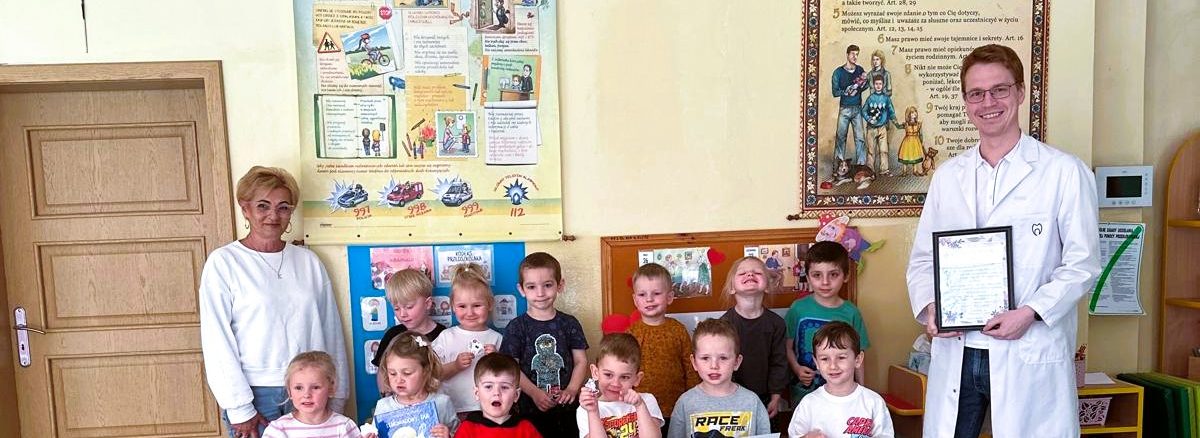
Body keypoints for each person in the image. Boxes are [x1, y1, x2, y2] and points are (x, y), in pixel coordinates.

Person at [905, 44, 1101, 438]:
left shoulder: (1063, 172)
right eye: (976, 93)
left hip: (1027, 347)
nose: (988, 102)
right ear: (965, 102)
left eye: (1000, 89)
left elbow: (1083, 264)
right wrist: (931, 309)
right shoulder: (948, 177)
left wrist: (1029, 312)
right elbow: (924, 259)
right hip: (960, 350)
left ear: (1020, 92)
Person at [200, 166, 349, 438]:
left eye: (283, 207)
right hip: (256, 394)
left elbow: (331, 329)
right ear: (245, 208)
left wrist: (337, 394)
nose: (273, 215)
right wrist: (239, 407)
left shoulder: (308, 261)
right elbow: (216, 338)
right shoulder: (224, 262)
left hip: (312, 389)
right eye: (263, 206)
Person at [500, 252, 590, 437]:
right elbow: (511, 368)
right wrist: (534, 393)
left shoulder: (569, 323)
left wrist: (572, 389)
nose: (540, 293)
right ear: (521, 289)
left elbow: (581, 361)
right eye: (531, 287)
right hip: (528, 410)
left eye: (547, 285)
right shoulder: (516, 327)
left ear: (560, 285)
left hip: (567, 410)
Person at [785, 241, 871, 403]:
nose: (825, 282)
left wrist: (861, 390)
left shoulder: (851, 312)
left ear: (846, 276)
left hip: (842, 394)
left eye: (833, 274)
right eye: (817, 275)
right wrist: (796, 368)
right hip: (804, 393)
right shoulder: (798, 308)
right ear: (808, 277)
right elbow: (786, 346)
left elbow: (859, 355)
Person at [626, 263, 699, 436]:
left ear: (670, 297)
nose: (649, 299)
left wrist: (693, 399)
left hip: (677, 408)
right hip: (641, 410)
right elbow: (624, 371)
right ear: (635, 300)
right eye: (642, 294)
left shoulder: (678, 330)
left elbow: (690, 368)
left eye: (656, 293)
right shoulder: (631, 334)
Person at [786, 322, 894, 438]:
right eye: (824, 359)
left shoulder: (874, 402)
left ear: (858, 359)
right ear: (816, 362)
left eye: (841, 357)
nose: (833, 366)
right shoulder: (808, 404)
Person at [668, 319, 771, 438]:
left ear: (737, 362)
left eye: (723, 358)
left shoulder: (752, 401)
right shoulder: (685, 402)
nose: (714, 366)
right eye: (705, 358)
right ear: (694, 362)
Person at [719, 256, 788, 419]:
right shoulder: (724, 325)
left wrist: (776, 396)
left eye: (757, 272)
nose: (750, 274)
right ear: (732, 288)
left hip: (765, 399)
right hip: (730, 397)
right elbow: (721, 364)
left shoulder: (777, 324)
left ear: (768, 286)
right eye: (742, 273)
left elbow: (779, 362)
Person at [432, 263, 504, 416]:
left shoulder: (497, 339)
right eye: (462, 306)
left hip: (487, 411)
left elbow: (508, 378)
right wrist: (455, 366)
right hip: (452, 410)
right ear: (452, 306)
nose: (470, 312)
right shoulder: (446, 337)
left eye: (477, 305)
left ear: (490, 304)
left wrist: (497, 360)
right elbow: (432, 374)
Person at [364, 332, 460, 438]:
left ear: (426, 370)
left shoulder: (442, 403)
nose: (398, 380)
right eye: (392, 373)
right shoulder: (383, 406)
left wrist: (448, 436)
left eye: (407, 373)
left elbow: (458, 433)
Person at [372, 269, 448, 396]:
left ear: (428, 303)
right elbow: (382, 372)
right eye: (396, 308)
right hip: (399, 403)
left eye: (409, 307)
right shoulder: (392, 335)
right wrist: (386, 397)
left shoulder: (444, 335)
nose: (402, 314)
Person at [577, 333, 664, 438]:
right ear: (595, 372)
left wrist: (640, 406)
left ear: (637, 379)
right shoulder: (585, 409)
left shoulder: (646, 400)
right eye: (608, 375)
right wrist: (593, 412)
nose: (615, 383)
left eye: (624, 377)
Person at [262, 352, 361, 438]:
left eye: (315, 387)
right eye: (299, 388)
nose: (307, 395)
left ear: (331, 389)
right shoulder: (278, 429)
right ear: (289, 392)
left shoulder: (344, 426)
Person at [454, 353, 543, 437]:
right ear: (477, 393)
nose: (496, 393)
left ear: (516, 395)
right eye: (488, 386)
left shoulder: (527, 429)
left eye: (504, 387)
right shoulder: (467, 429)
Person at [832, 44, 869, 166]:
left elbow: (865, 85)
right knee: (840, 138)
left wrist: (862, 84)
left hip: (857, 109)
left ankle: (861, 167)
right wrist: (845, 91)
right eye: (853, 54)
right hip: (844, 109)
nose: (855, 56)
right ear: (847, 54)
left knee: (860, 139)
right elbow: (835, 92)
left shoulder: (860, 70)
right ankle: (838, 168)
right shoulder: (838, 72)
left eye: (857, 54)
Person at [863, 74, 903, 176]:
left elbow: (891, 112)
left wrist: (896, 123)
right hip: (871, 128)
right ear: (873, 85)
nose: (878, 86)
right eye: (876, 84)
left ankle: (884, 170)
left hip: (882, 128)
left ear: (883, 85)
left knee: (884, 150)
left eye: (880, 84)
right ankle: (870, 171)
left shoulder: (886, 98)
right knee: (871, 151)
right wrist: (869, 119)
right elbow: (863, 111)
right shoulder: (870, 98)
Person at [896, 106, 926, 176]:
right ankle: (904, 171)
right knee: (905, 155)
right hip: (907, 141)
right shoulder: (906, 124)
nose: (914, 113)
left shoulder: (918, 124)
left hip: (916, 141)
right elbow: (898, 127)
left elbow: (921, 134)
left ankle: (915, 171)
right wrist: (894, 121)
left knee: (915, 155)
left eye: (915, 112)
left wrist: (921, 142)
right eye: (912, 112)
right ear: (908, 114)